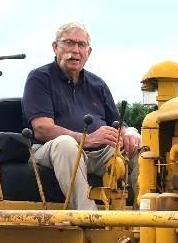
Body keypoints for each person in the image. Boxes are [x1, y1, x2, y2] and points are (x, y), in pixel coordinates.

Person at [22, 22, 140, 209]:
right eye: (68, 43)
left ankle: (147, 214)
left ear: (88, 52)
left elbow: (117, 123)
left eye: (81, 45)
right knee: (66, 144)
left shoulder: (98, 84)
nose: (75, 50)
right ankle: (88, 216)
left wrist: (128, 133)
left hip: (99, 153)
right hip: (49, 151)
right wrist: (87, 139)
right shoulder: (39, 78)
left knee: (139, 144)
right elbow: (42, 129)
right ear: (55, 47)